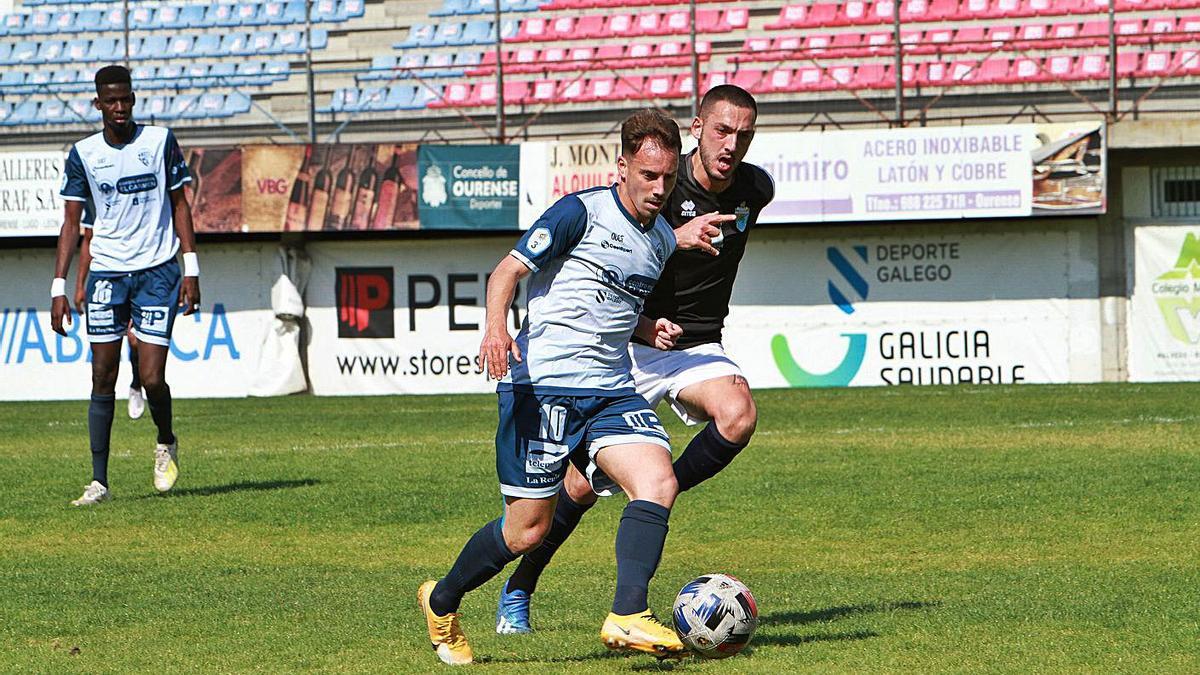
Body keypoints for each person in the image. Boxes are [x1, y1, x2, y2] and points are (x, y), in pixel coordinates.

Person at [416, 108, 720, 666]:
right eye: (648, 176)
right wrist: (495, 329)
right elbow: (505, 273)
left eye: (669, 178)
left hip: (609, 388)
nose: (659, 189)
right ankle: (441, 600)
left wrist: (647, 326)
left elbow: (613, 303)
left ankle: (628, 612)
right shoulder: (578, 212)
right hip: (544, 387)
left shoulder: (657, 240)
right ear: (622, 166)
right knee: (526, 532)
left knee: (657, 480)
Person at [495, 85, 774, 633]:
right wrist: (676, 237)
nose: (731, 144)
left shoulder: (755, 189)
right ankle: (519, 587)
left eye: (743, 135)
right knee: (573, 492)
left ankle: (652, 488)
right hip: (626, 349)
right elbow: (615, 242)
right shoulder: (662, 181)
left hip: (694, 345)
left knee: (738, 415)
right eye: (721, 131)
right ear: (698, 128)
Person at [50, 65, 201, 506]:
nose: (119, 108)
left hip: (158, 270)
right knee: (102, 374)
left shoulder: (159, 142)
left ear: (133, 99)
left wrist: (190, 267)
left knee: (152, 377)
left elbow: (181, 204)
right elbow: (71, 222)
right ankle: (99, 481)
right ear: (97, 104)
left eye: (126, 99)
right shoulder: (83, 154)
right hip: (107, 273)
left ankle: (165, 440)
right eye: (111, 101)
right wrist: (60, 286)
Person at [75, 227, 146, 421]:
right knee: (104, 362)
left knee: (135, 342)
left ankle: (137, 383)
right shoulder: (95, 201)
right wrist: (80, 285)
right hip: (108, 279)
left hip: (141, 276)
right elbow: (88, 239)